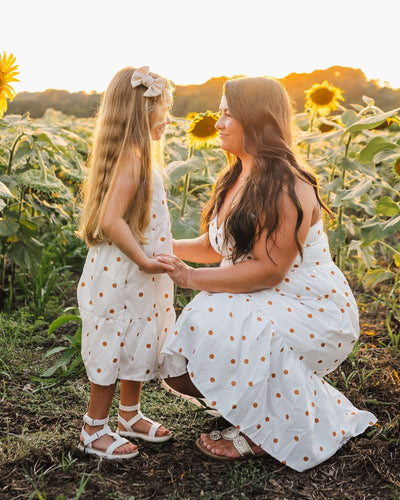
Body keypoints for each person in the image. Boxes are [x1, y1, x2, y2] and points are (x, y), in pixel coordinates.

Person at [157, 76, 377, 472]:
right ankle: (256, 405)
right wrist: (156, 244)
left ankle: (265, 431)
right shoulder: (238, 175)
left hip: (311, 305)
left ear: (257, 121)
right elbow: (214, 246)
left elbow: (269, 272)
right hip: (267, 295)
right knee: (187, 352)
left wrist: (190, 279)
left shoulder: (288, 185)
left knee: (213, 314)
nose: (218, 122)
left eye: (228, 113)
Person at [76, 66, 175, 460]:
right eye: (163, 110)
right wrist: (145, 261)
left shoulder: (140, 156)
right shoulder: (131, 158)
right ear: (141, 113)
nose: (168, 119)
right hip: (123, 272)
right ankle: (92, 428)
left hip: (138, 273)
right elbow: (110, 220)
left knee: (139, 338)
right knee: (112, 343)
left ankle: (129, 415)